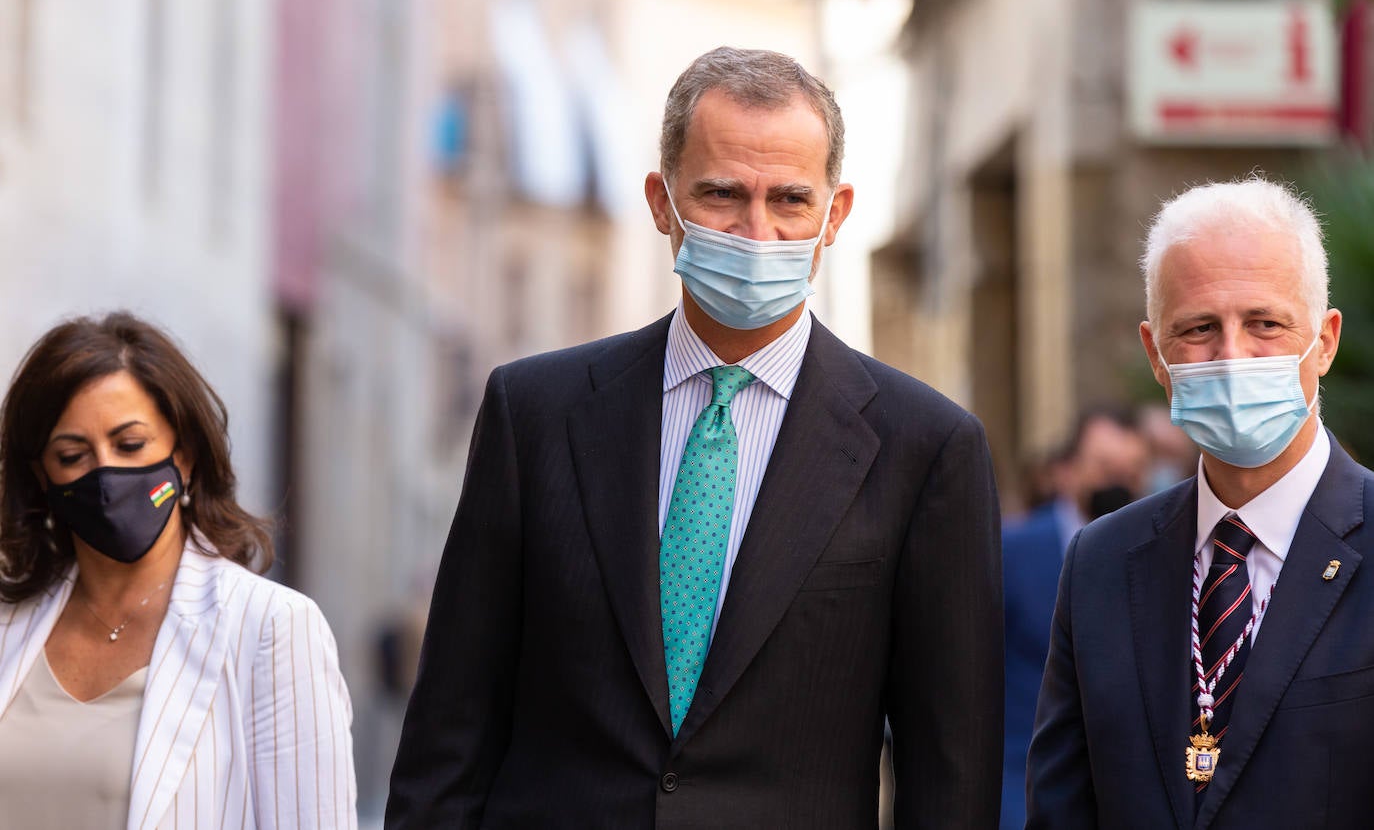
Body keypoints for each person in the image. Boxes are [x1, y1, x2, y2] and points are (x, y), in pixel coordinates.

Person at [386, 46, 1003, 828]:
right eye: (720, 194)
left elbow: (950, 776)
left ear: (835, 215)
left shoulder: (926, 450)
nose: (756, 232)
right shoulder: (534, 414)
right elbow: (451, 729)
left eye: (790, 200)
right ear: (660, 201)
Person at [1026, 177, 1369, 828]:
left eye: (1265, 324)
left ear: (1323, 341)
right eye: (1200, 328)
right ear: (1157, 355)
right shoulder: (1102, 562)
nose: (1233, 355)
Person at [0, 313, 357, 829]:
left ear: (184, 457)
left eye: (130, 446)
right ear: (43, 477)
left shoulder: (270, 629)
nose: (105, 476)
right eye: (74, 455)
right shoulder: (11, 622)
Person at [1000, 407, 1147, 829]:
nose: (1116, 482)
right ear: (1067, 471)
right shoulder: (1012, 551)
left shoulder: (1162, 555)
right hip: (1019, 790)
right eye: (1104, 467)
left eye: (1131, 470)